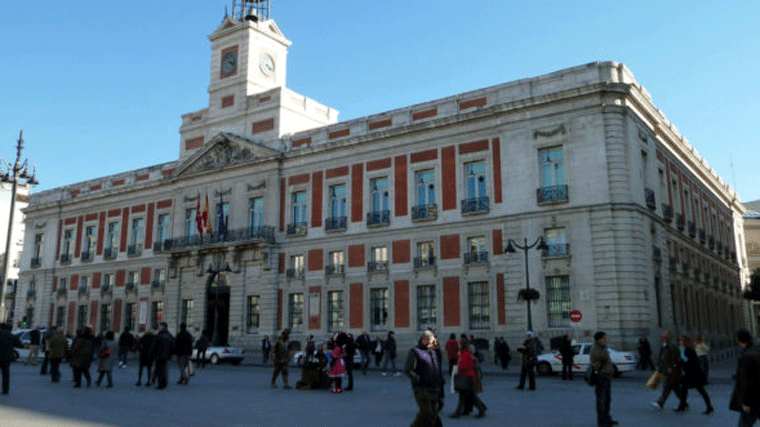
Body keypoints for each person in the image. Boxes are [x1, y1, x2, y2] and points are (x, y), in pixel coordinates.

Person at [405, 329, 445, 427]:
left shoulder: (434, 352)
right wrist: (419, 379)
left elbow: (438, 367)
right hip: (421, 388)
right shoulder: (415, 352)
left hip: (434, 387)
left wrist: (439, 381)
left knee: (433, 415)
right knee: (427, 413)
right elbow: (408, 370)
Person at [450, 336, 487, 418]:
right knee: (470, 395)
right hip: (469, 376)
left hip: (466, 376)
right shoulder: (467, 352)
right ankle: (481, 409)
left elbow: (465, 365)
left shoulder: (465, 353)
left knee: (464, 396)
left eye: (459, 343)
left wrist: (458, 367)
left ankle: (458, 412)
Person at [675, 335, 713, 414]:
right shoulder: (683, 349)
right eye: (680, 340)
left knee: (701, 390)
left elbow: (692, 361)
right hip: (688, 374)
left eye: (682, 340)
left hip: (695, 374)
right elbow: (681, 361)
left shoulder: (690, 349)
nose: (680, 342)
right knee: (684, 390)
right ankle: (682, 405)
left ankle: (709, 407)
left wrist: (684, 359)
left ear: (685, 342)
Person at [730, 328, 760, 427]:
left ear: (739, 340)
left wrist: (746, 403)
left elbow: (746, 381)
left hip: (753, 399)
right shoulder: (757, 350)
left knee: (744, 425)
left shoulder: (746, 356)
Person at [590, 331, 617, 427]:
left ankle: (607, 418)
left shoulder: (602, 348)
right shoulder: (596, 349)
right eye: (604, 339)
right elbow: (604, 357)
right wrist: (604, 347)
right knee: (602, 401)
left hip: (606, 377)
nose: (606, 341)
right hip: (601, 377)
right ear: (598, 339)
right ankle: (602, 422)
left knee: (607, 400)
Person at [651, 331, 683, 410]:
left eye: (665, 337)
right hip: (667, 370)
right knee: (676, 389)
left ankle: (660, 403)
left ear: (669, 338)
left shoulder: (672, 346)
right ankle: (684, 404)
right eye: (663, 337)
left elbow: (676, 358)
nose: (664, 338)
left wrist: (671, 367)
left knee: (667, 388)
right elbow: (663, 358)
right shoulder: (665, 346)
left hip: (672, 371)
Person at [0, 322, 22, 394]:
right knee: (6, 374)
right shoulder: (12, 336)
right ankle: (5, 390)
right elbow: (19, 345)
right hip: (7, 357)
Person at [153, 322, 175, 390]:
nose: (158, 328)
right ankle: (164, 383)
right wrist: (171, 354)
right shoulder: (170, 336)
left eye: (159, 327)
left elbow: (155, 346)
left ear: (162, 327)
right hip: (167, 355)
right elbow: (174, 346)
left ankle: (160, 384)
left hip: (159, 355)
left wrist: (154, 354)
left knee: (160, 370)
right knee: (165, 370)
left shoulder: (159, 336)